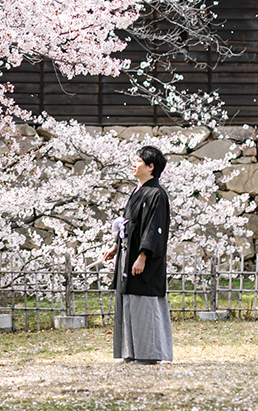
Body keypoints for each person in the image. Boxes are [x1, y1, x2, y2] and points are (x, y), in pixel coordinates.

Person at [103, 145, 172, 364]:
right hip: (127, 255)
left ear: (151, 167)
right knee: (128, 301)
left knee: (144, 302)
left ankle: (149, 353)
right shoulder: (137, 191)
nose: (134, 164)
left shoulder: (156, 194)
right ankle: (130, 351)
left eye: (138, 161)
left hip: (143, 260)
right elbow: (128, 224)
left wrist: (143, 255)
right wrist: (116, 245)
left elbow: (154, 228)